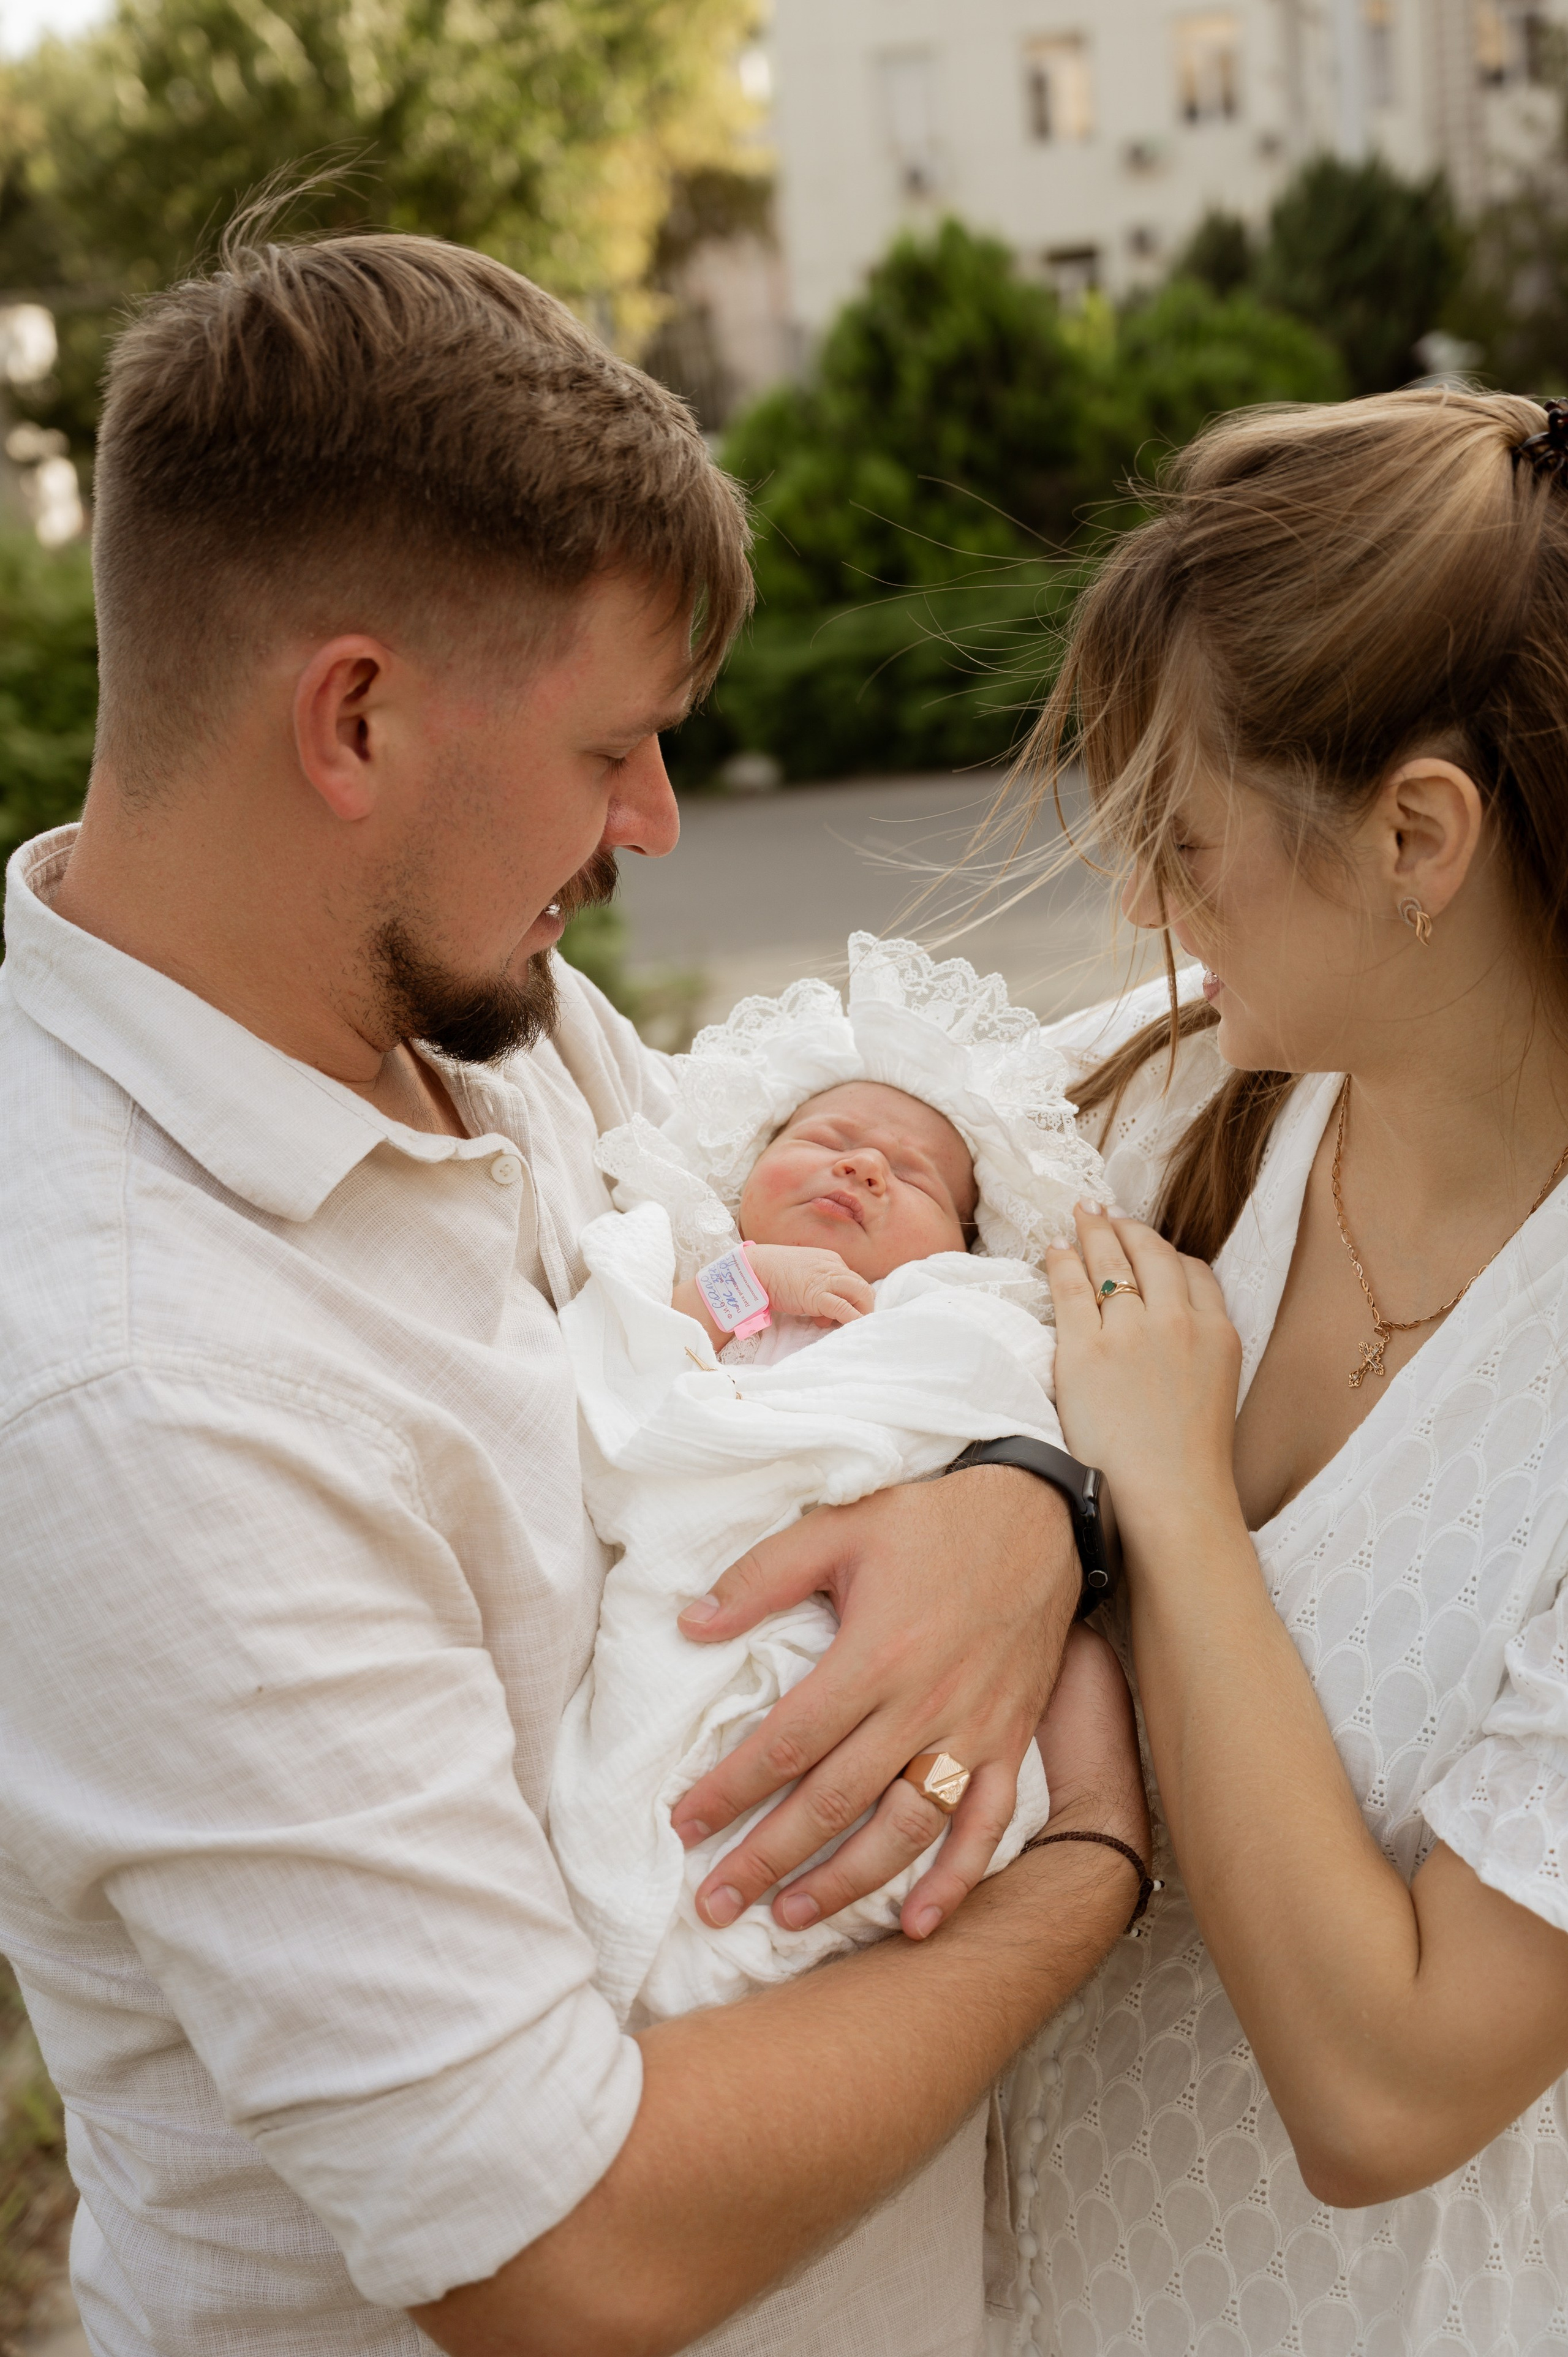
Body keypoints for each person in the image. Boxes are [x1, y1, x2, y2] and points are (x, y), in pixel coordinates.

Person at [0, 217, 1147, 2357]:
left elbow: (815, 1322)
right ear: (355, 719)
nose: (660, 819)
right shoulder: (137, 1385)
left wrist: (1022, 1501)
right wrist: (1092, 1861)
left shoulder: (470, 1018)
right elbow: (562, 2248)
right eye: (614, 744)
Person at [991, 387, 1568, 2356]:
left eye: (1185, 839)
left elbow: (1388, 2091)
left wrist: (1167, 1500)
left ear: (1419, 836)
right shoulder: (1183, 1109)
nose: (1143, 905)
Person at [551, 930, 1114, 2023]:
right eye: (827, 1140)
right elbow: (616, 1376)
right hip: (705, 1584)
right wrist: (750, 1282)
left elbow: (1000, 1406)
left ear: (962, 1242)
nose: (863, 1168)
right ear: (742, 1173)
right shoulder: (701, 1273)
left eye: (915, 1176)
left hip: (886, 1614)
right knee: (646, 1766)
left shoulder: (956, 1311)